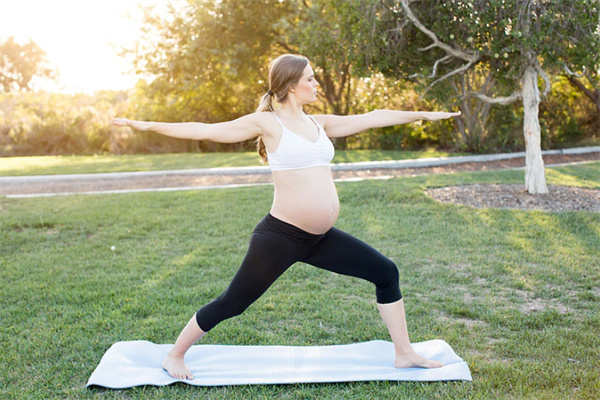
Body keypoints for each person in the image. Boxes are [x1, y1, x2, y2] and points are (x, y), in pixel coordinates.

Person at [113, 54, 460, 380]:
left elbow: (373, 116)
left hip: (320, 239)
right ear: (293, 85)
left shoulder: (318, 122)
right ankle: (175, 353)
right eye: (311, 79)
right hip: (280, 238)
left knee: (386, 272)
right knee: (232, 302)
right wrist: (144, 124)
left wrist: (422, 115)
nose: (316, 84)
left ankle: (404, 353)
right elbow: (205, 129)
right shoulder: (268, 123)